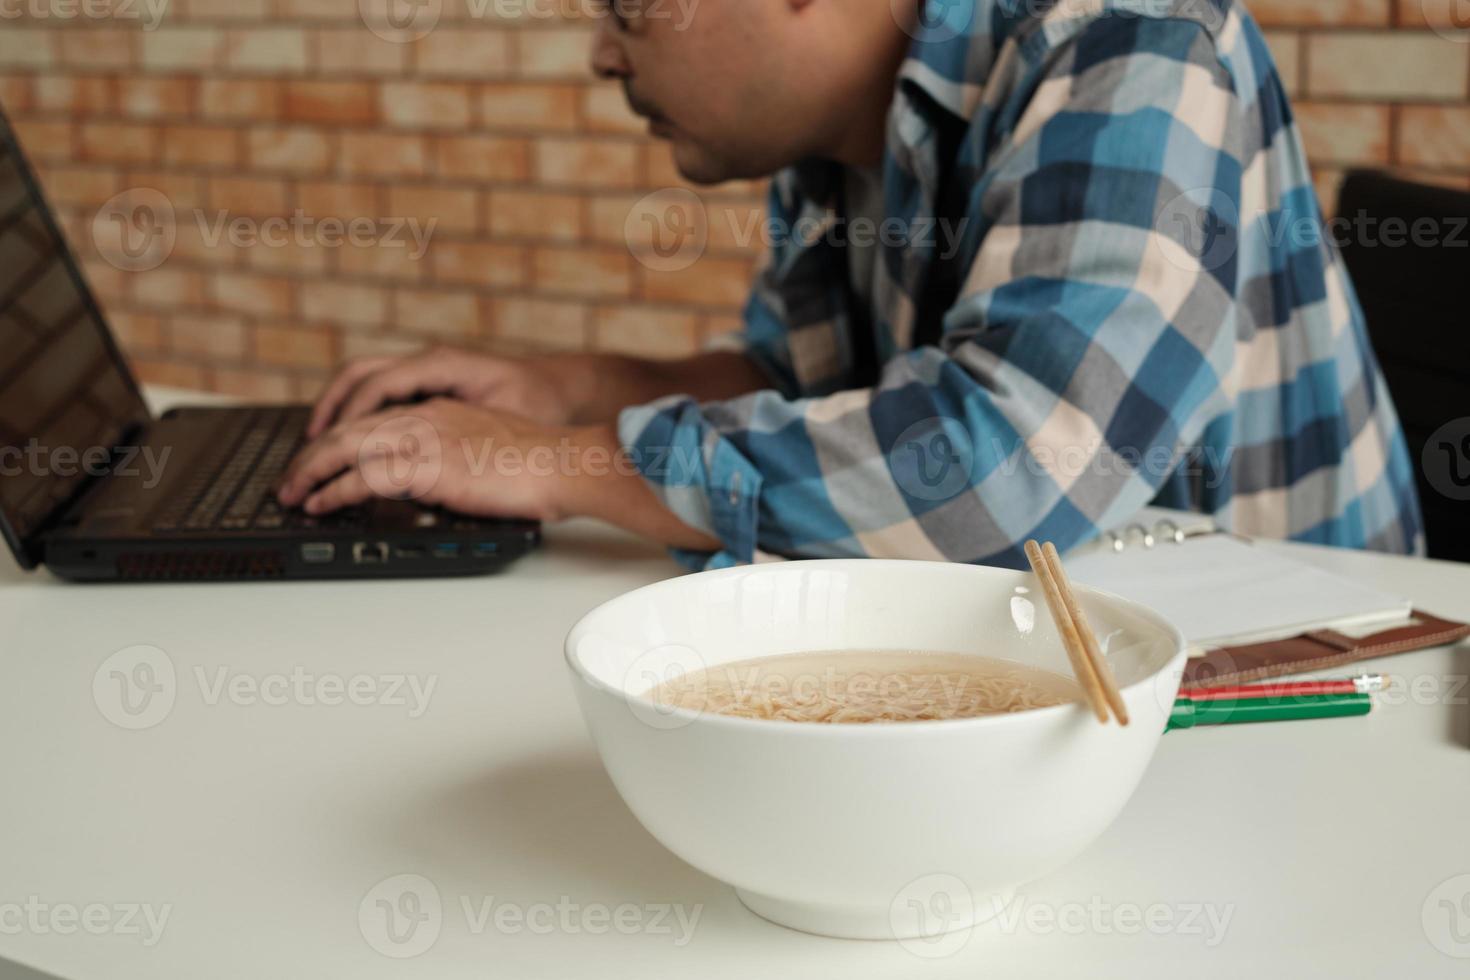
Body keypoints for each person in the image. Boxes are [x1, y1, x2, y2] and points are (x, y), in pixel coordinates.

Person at [277, 0, 1423, 569]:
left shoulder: (1135, 42)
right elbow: (812, 384)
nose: (602, 54)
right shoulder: (844, 130)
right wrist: (562, 389)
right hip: (1039, 656)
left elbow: (1019, 462)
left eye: (631, 7)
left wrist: (565, 463)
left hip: (1288, 697)